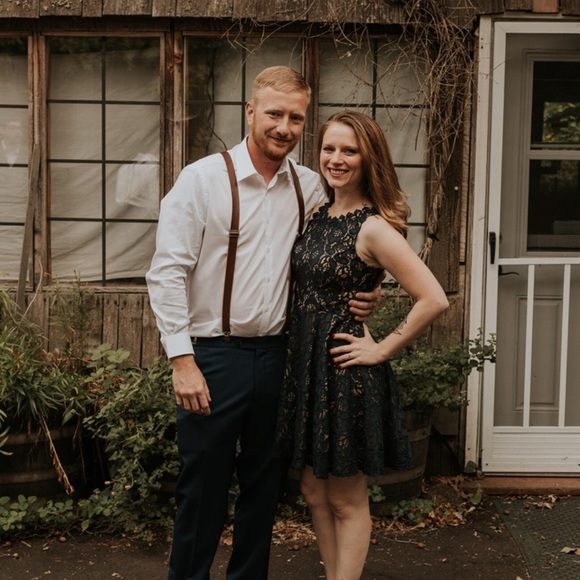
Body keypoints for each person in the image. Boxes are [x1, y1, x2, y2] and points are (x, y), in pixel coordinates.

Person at [146, 68, 379, 580]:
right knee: (201, 490)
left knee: (263, 490)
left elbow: (350, 243)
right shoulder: (202, 180)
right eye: (274, 114)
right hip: (213, 357)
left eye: (296, 117)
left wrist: (373, 286)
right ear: (250, 112)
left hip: (281, 357)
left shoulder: (311, 187)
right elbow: (166, 273)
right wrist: (182, 360)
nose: (284, 127)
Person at [275, 110, 450, 580]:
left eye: (349, 151)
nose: (336, 159)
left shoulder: (372, 227)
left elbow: (433, 298)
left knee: (345, 499)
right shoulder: (319, 213)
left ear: (368, 158)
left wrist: (382, 349)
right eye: (329, 148)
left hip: (345, 371)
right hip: (309, 369)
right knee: (314, 492)